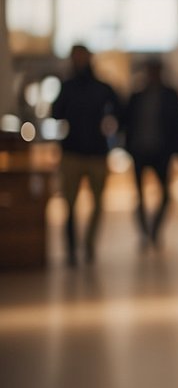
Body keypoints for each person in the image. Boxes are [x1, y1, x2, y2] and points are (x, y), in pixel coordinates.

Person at [51, 44, 120, 266]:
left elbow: (120, 111)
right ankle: (72, 249)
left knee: (97, 204)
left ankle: (88, 245)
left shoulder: (101, 87)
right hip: (72, 152)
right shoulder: (67, 86)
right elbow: (56, 113)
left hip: (96, 153)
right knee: (69, 205)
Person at [121, 58, 178, 248]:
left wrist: (177, 149)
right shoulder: (137, 95)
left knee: (165, 194)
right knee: (139, 195)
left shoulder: (170, 95)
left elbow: (177, 124)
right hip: (139, 150)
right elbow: (127, 122)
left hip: (161, 151)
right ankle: (144, 233)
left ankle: (154, 230)